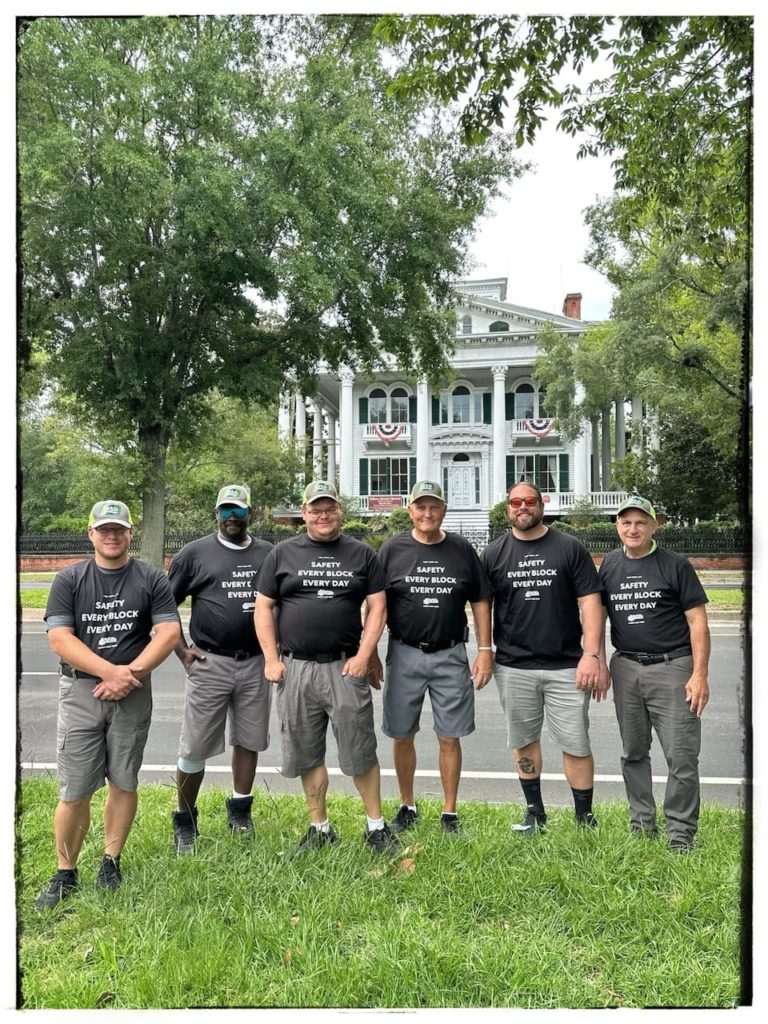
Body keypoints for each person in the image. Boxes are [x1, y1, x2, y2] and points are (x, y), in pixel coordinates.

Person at [37, 500, 180, 909]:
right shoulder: (70, 579)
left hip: (132, 690)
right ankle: (66, 871)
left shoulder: (151, 578)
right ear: (91, 534)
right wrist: (109, 673)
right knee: (74, 788)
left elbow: (168, 633)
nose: (111, 535)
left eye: (119, 529)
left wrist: (128, 674)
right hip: (82, 691)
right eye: (104, 529)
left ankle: (110, 861)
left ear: (130, 533)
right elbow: (60, 638)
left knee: (124, 779)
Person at [254, 480, 400, 855]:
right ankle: (319, 827)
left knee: (360, 751)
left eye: (330, 508)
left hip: (344, 667)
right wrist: (271, 659)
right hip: (296, 668)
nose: (323, 515)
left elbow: (377, 608)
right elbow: (263, 608)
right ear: (304, 513)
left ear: (340, 512)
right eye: (315, 509)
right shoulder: (281, 554)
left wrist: (364, 656)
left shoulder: (362, 554)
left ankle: (376, 827)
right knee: (306, 752)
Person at [481, 481, 608, 835]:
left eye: (529, 501)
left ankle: (585, 818)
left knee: (575, 742)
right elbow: (483, 607)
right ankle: (535, 813)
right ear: (508, 508)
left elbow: (590, 603)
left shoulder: (569, 547)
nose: (522, 507)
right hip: (514, 665)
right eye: (515, 502)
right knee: (523, 741)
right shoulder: (493, 553)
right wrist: (484, 651)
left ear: (541, 504)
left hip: (567, 665)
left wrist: (592, 654)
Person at [374, 481, 493, 835]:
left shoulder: (461, 549)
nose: (427, 514)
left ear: (444, 510)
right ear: (409, 510)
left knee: (449, 736)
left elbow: (481, 600)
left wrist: (485, 650)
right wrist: (369, 653)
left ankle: (449, 811)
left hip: (450, 653)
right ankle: (407, 804)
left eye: (434, 507)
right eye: (420, 507)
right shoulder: (392, 549)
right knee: (401, 733)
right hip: (404, 651)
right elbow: (376, 603)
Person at [167, 483, 274, 855]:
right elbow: (164, 607)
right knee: (194, 746)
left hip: (256, 662)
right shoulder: (194, 554)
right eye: (226, 510)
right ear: (216, 514)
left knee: (248, 740)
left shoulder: (268, 554)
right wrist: (181, 649)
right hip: (210, 661)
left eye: (239, 510)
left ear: (250, 513)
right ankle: (185, 819)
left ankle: (240, 810)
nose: (232, 517)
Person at [599, 496, 710, 852]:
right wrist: (599, 661)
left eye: (640, 522)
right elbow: (596, 618)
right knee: (633, 751)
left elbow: (698, 623)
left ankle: (680, 834)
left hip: (673, 667)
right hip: (626, 667)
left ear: (654, 525)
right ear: (617, 526)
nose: (633, 529)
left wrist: (700, 674)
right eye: (626, 522)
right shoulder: (610, 566)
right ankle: (642, 824)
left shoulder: (675, 566)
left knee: (681, 755)